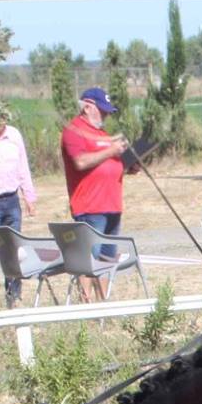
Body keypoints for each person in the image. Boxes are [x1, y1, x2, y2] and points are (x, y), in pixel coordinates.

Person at [60, 86, 131, 301]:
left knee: (106, 258)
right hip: (90, 207)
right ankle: (86, 301)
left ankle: (104, 302)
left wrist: (127, 164)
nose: (106, 115)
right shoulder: (74, 131)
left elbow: (109, 162)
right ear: (87, 107)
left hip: (112, 205)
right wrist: (112, 150)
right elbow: (80, 162)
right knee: (89, 258)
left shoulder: (102, 134)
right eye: (103, 110)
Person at [0, 109, 38, 305]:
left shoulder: (14, 135)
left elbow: (22, 166)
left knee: (13, 249)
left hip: (11, 200)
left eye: (2, 116)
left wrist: (28, 195)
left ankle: (14, 294)